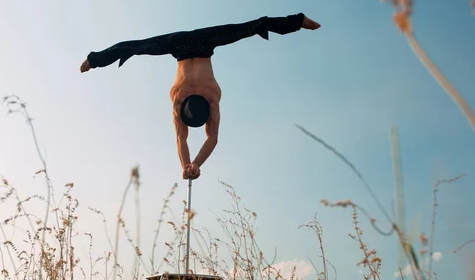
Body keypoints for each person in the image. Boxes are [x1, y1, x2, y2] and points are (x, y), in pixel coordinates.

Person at [80, 13, 321, 180]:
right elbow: (189, 139)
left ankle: (94, 60)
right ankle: (298, 21)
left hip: (190, 44)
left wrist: (190, 165)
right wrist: (190, 165)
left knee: (250, 27)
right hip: (188, 45)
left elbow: (195, 139)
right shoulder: (185, 100)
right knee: (251, 27)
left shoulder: (205, 99)